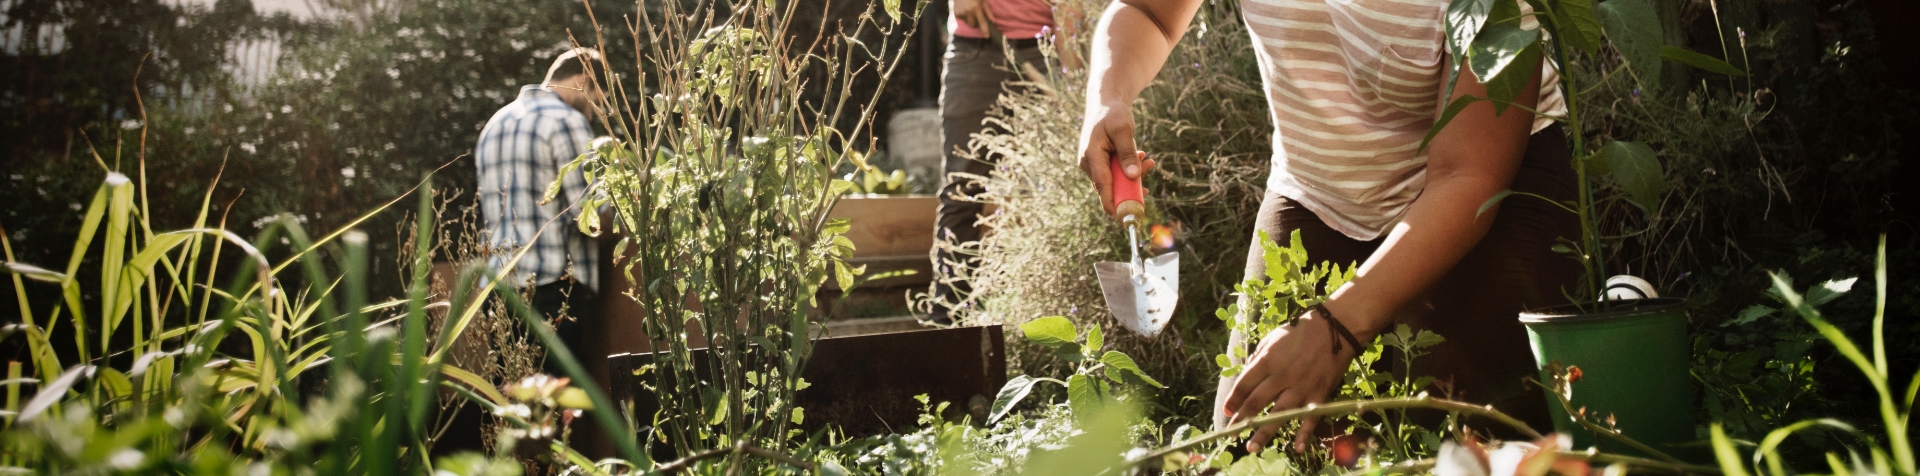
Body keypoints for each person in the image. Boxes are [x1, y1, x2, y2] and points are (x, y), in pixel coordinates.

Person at [1075, 0, 1577, 453]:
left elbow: (1468, 173)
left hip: (1485, 193)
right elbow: (1150, 13)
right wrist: (1107, 94)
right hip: (1318, 191)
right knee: (1248, 447)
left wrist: (1337, 324)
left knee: (1461, 445)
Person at [927, 0, 1081, 325]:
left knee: (1053, 197)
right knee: (962, 192)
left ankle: (1039, 332)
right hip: (977, 50)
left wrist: (1071, 84)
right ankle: (946, 331)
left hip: (1043, 53)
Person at [476, 47, 608, 373]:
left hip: (497, 294)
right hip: (550, 292)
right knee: (556, 411)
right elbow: (588, 218)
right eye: (596, 101)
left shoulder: (495, 124)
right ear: (584, 80)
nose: (592, 115)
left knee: (513, 409)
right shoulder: (566, 122)